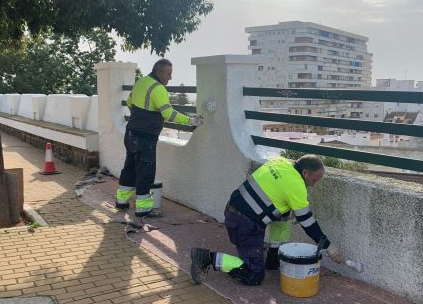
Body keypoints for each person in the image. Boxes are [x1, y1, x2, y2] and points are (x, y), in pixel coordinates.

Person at [190, 155, 344, 286]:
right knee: (255, 275)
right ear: (305, 172)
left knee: (284, 213)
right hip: (244, 225)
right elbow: (308, 223)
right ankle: (207, 257)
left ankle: (273, 258)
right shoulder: (297, 186)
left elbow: (275, 196)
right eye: (314, 180)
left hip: (233, 210)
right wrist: (328, 246)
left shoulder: (279, 162)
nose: (313, 185)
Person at [115, 59, 203, 217]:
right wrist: (190, 120)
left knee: (129, 168)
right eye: (168, 74)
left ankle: (121, 201)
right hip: (145, 138)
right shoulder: (158, 88)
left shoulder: (141, 82)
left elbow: (129, 102)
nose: (170, 78)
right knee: (145, 172)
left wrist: (140, 116)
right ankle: (143, 209)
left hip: (131, 133)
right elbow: (168, 114)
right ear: (159, 72)